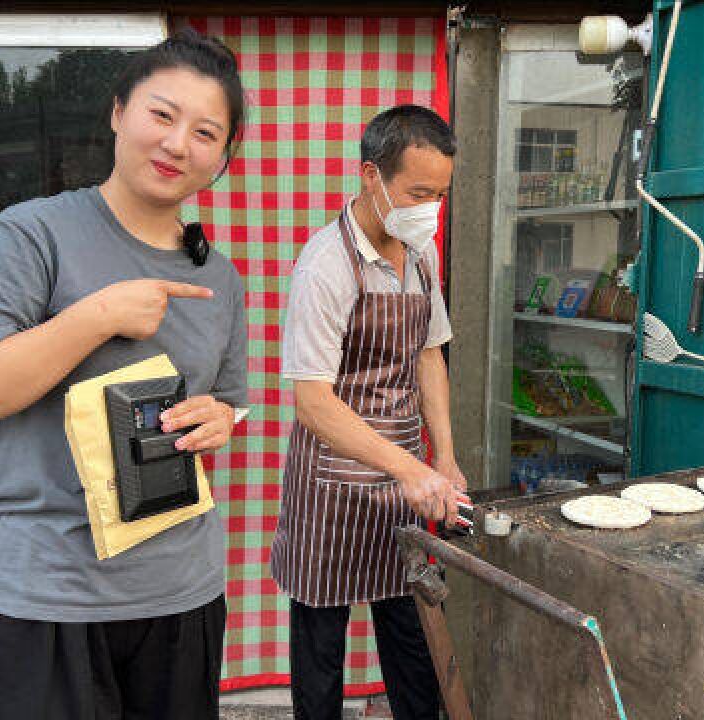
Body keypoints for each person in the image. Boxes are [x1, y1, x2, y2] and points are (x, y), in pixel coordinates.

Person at [0, 29, 247, 719]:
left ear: (223, 157)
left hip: (180, 591)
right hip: (41, 592)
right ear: (118, 113)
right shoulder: (30, 235)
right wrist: (96, 316)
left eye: (205, 132)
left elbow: (229, 403)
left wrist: (220, 420)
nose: (176, 145)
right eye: (161, 115)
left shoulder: (219, 278)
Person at [270, 105, 464, 720]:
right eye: (419, 192)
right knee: (321, 644)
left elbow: (430, 355)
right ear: (370, 176)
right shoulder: (325, 266)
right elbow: (313, 401)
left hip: (408, 476)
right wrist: (408, 469)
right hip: (334, 485)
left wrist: (446, 458)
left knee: (412, 629)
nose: (430, 208)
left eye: (440, 194)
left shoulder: (421, 257)